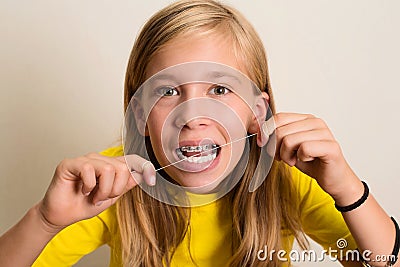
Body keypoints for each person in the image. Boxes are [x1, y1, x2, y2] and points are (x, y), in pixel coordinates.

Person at [0, 0, 398, 266]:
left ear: (257, 112)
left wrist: (347, 188)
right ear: (139, 114)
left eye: (220, 90)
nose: (193, 115)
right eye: (169, 91)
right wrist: (45, 221)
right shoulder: (112, 184)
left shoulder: (288, 178)